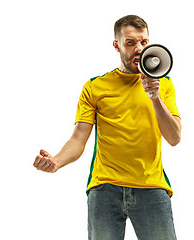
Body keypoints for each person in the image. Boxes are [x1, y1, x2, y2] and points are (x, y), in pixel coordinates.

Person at [33, 15, 181, 240]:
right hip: (104, 190)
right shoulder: (95, 87)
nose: (139, 48)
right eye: (130, 42)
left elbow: (174, 137)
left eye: (143, 42)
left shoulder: (164, 84)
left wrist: (154, 97)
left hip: (151, 186)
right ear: (117, 45)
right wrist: (56, 162)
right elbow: (78, 139)